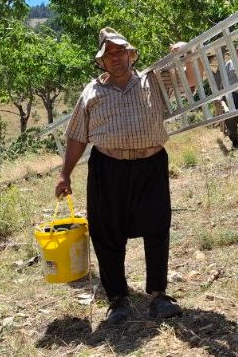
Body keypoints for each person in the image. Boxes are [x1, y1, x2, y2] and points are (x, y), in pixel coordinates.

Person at [55, 27, 182, 325]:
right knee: (106, 230)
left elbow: (189, 76)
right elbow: (76, 136)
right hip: (107, 168)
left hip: (150, 165)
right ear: (101, 62)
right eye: (108, 54)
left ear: (131, 54)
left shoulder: (153, 79)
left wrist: (183, 52)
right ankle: (118, 299)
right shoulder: (91, 92)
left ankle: (158, 296)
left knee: (157, 226)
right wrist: (65, 174)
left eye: (120, 51)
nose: (115, 58)